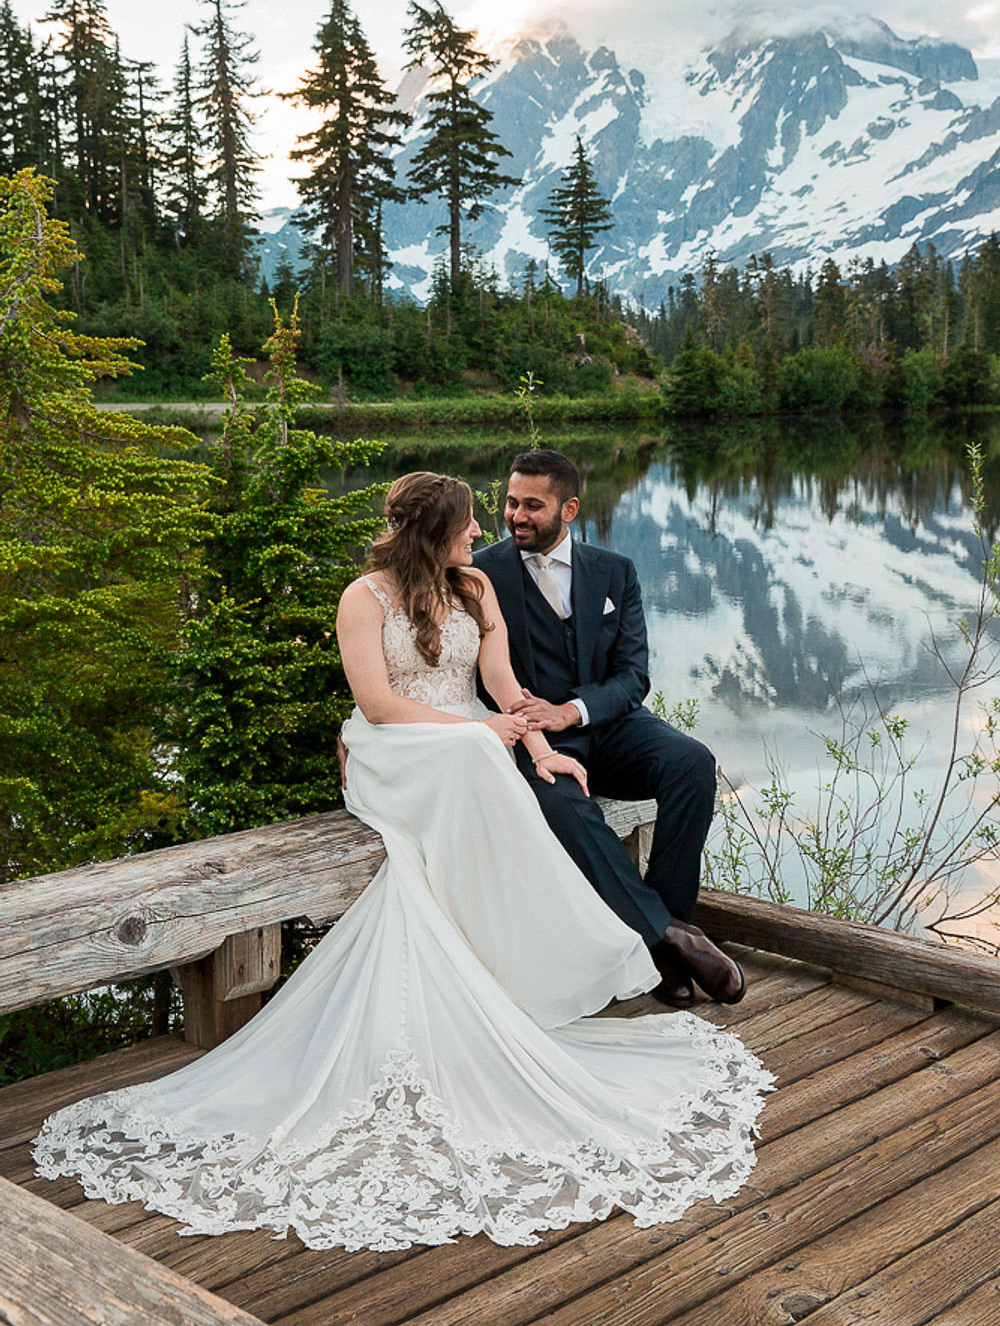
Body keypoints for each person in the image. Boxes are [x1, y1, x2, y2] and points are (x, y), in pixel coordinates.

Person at [34, 473, 771, 1253]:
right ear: (435, 531)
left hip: (470, 742)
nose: (480, 531)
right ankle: (637, 933)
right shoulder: (364, 598)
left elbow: (502, 686)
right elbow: (380, 704)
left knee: (509, 769)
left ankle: (568, 943)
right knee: (475, 758)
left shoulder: (478, 585)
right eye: (467, 523)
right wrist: (473, 732)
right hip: (397, 747)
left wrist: (539, 742)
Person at [474, 449, 744, 1010]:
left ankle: (668, 935)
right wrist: (537, 726)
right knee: (562, 805)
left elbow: (633, 676)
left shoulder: (614, 571)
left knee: (691, 762)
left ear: (568, 508)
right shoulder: (481, 573)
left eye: (532, 505)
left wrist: (571, 711)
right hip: (535, 741)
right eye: (510, 502)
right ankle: (669, 942)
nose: (516, 515)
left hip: (610, 727)